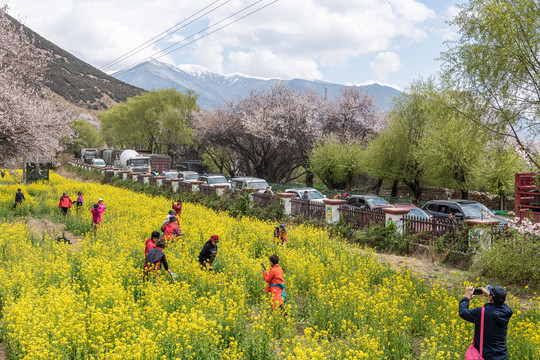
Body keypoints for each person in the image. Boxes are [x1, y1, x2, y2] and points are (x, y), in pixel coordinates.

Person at [459, 285, 513, 360]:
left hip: (486, 356)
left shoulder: (483, 313)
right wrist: (489, 295)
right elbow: (500, 304)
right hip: (502, 356)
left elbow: (463, 312)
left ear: (491, 298)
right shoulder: (507, 312)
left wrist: (466, 298)